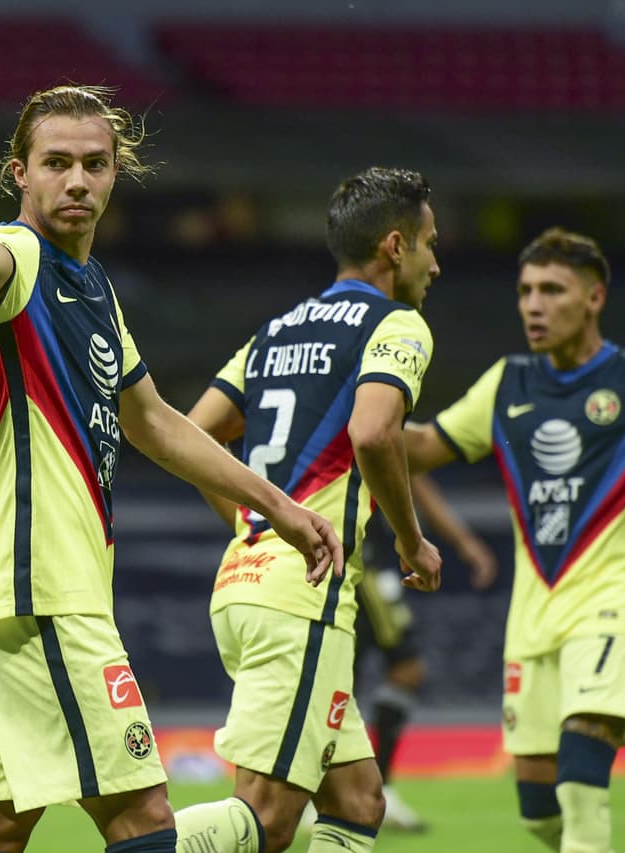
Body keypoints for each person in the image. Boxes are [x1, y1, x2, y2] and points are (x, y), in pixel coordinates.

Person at [0, 84, 343, 853]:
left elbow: (152, 419)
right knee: (144, 821)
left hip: (29, 593)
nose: (76, 181)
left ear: (118, 173)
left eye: (94, 164)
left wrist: (276, 505)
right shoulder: (20, 258)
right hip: (42, 588)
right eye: (56, 163)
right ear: (19, 172)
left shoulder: (92, 285)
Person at [403, 227, 625, 852]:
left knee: (581, 780)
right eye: (525, 291)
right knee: (539, 814)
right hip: (532, 618)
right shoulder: (506, 383)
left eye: (552, 289)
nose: (534, 305)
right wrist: (353, 407)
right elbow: (421, 448)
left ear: (594, 298)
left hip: (609, 605)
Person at [179, 167, 445, 853]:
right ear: (394, 246)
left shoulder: (276, 332)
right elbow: (373, 432)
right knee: (268, 817)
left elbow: (193, 432)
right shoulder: (397, 324)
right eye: (427, 244)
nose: (435, 263)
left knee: (358, 800)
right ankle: (136, 845)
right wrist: (413, 542)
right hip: (304, 597)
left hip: (245, 585)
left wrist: (249, 524)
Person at [344, 474, 499, 833]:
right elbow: (410, 474)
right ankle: (359, 792)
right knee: (395, 670)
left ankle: (354, 791)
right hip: (360, 567)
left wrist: (462, 541)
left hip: (364, 564)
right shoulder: (360, 425)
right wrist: (459, 542)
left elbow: (412, 476)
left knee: (348, 679)